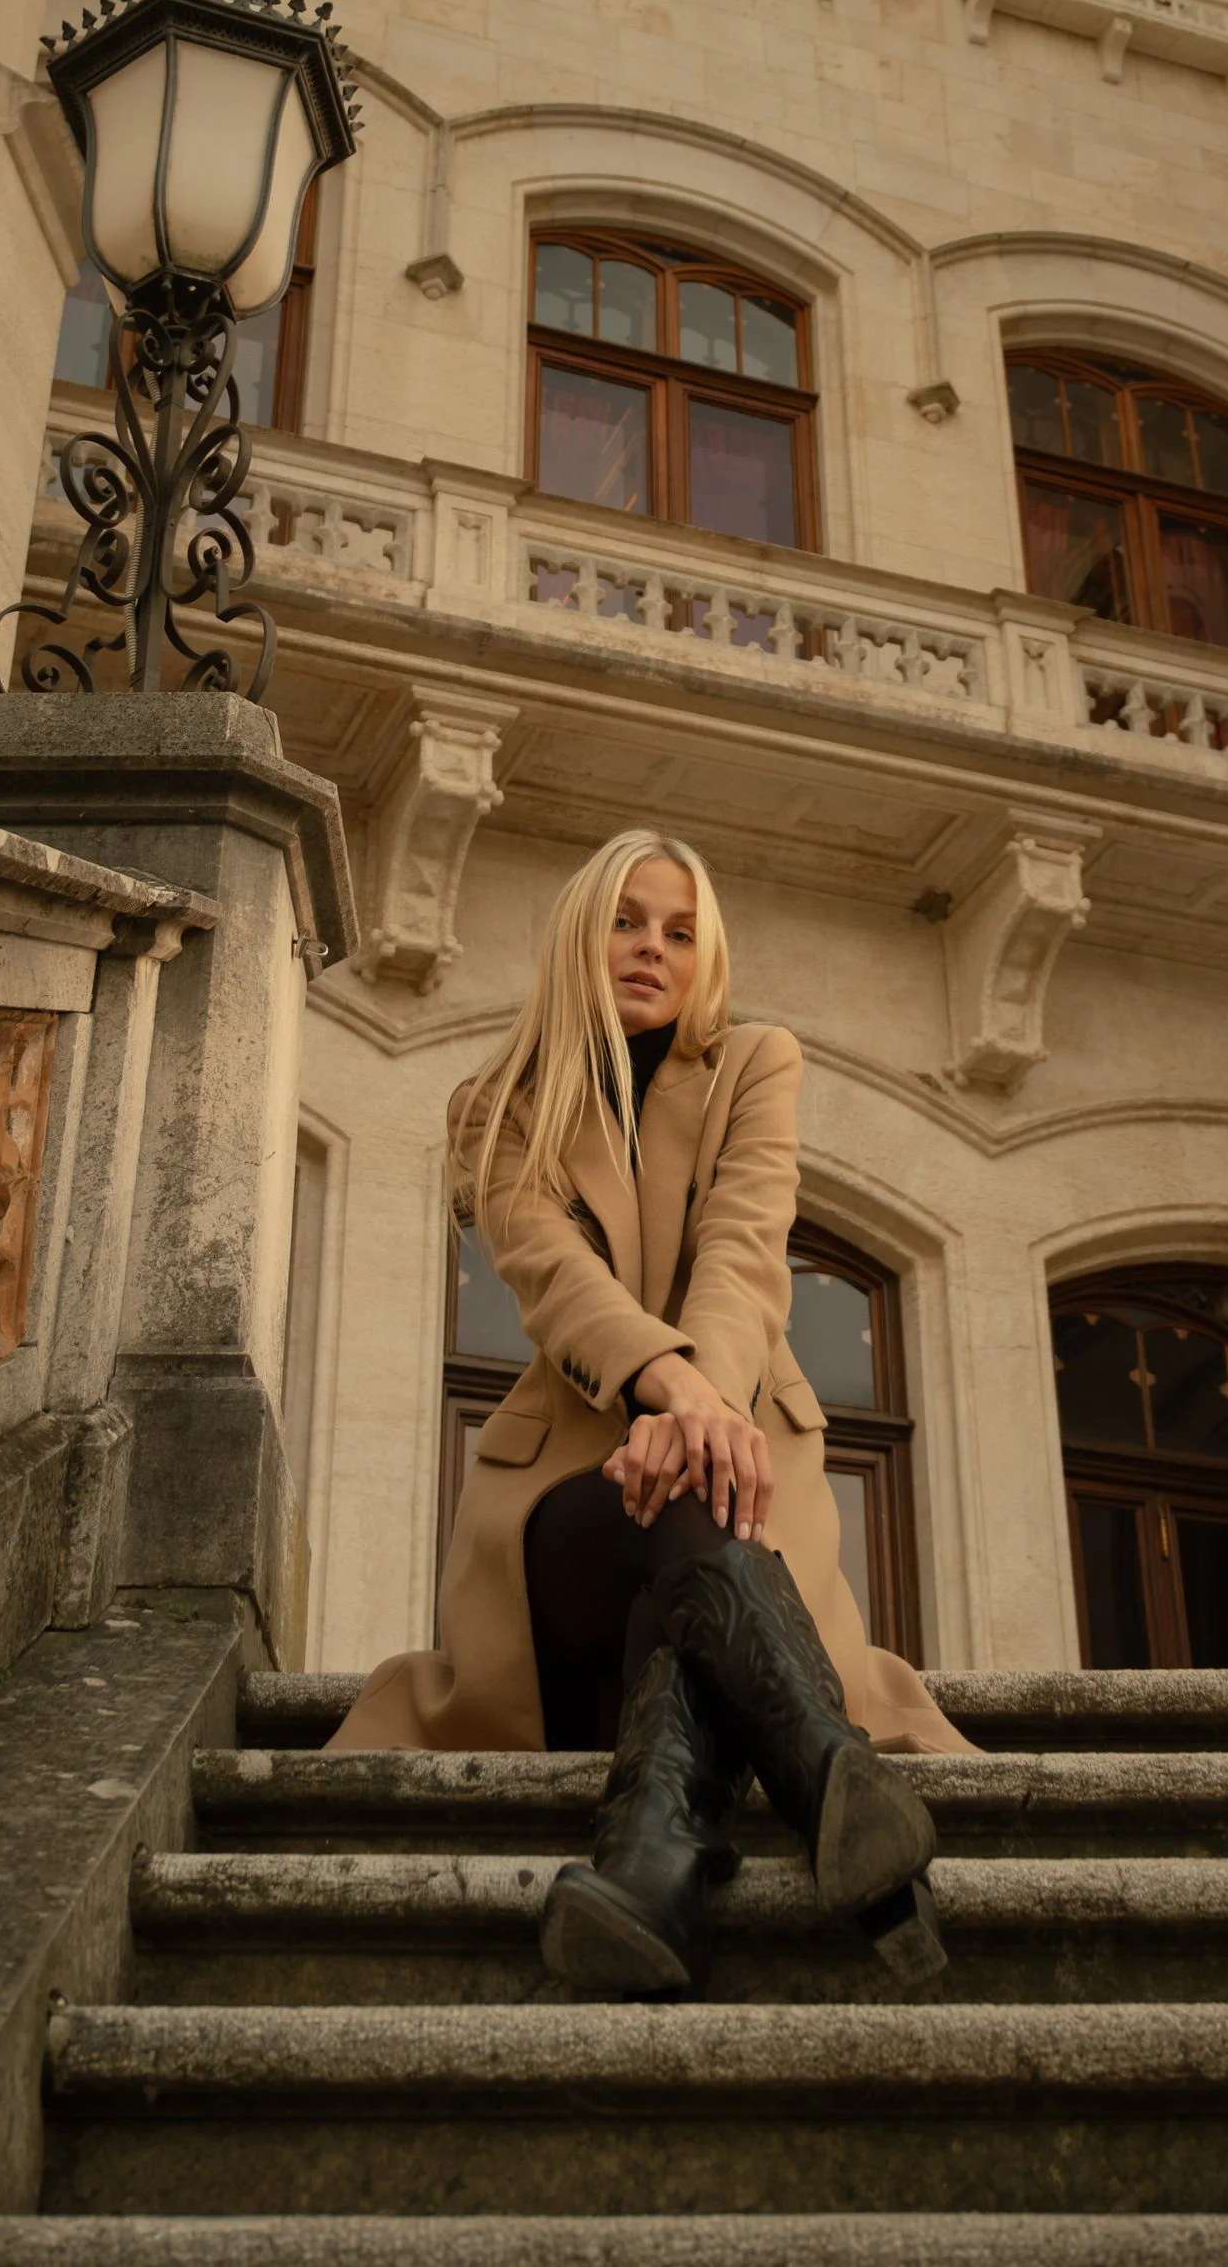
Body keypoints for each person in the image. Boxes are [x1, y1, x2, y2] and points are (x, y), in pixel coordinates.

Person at [328, 828, 978, 1998]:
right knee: (675, 1509)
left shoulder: (755, 1063)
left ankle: (653, 1881)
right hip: (568, 1509)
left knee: (693, 1547)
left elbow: (744, 1243)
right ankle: (828, 1766)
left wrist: (706, 1405)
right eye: (630, 919)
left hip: (736, 1465)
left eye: (680, 930)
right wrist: (672, 1392)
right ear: (585, 931)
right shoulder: (496, 1104)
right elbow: (550, 1274)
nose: (651, 947)